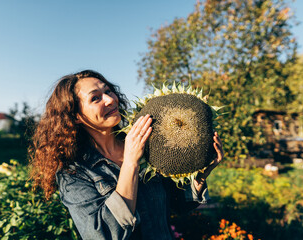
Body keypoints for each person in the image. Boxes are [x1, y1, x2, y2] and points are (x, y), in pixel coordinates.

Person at [29, 70, 224, 240]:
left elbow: (177, 205)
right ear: (76, 116)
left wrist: (199, 174)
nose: (110, 99)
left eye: (108, 91)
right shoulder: (74, 174)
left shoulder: (148, 146)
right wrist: (130, 162)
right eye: (95, 98)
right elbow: (102, 235)